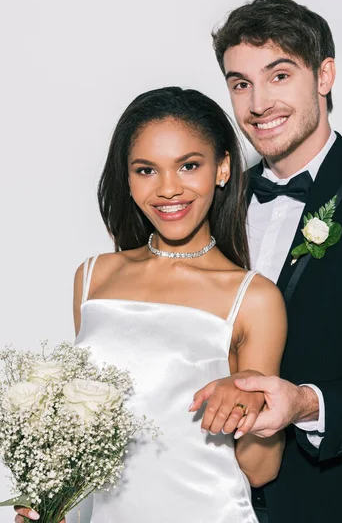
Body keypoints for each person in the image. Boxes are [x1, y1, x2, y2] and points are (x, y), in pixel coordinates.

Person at [15, 87, 287, 523]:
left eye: (189, 165)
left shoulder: (254, 297)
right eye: (146, 170)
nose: (168, 189)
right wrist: (50, 505)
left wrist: (253, 402)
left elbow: (259, 469)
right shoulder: (92, 277)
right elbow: (84, 437)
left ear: (222, 169)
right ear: (127, 177)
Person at [202, 0, 342, 523]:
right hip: (206, 494)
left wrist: (307, 404)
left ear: (324, 74)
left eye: (279, 75)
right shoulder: (210, 202)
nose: (258, 103)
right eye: (240, 83)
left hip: (339, 502)